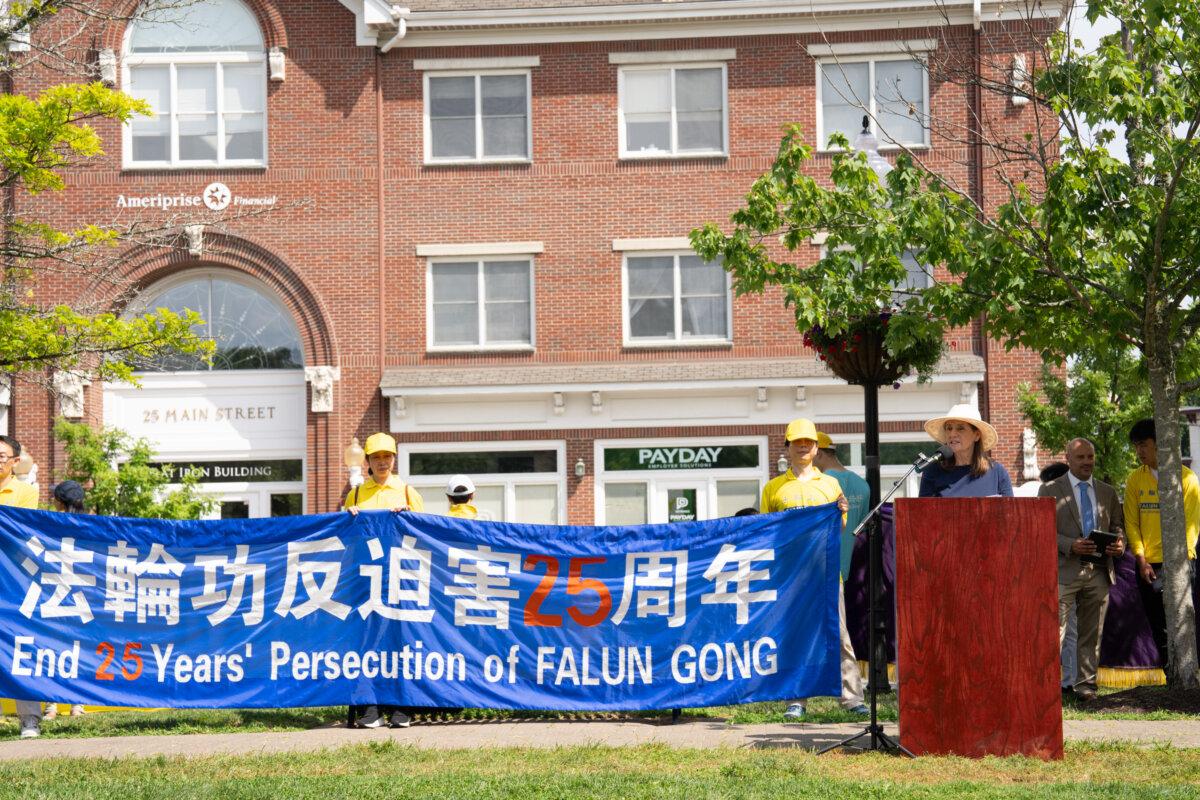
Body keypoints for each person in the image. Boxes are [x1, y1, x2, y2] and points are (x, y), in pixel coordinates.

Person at [762, 418, 866, 720]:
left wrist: (841, 513)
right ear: (788, 447)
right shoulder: (773, 488)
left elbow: (839, 528)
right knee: (796, 635)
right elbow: (766, 532)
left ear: (817, 448)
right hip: (791, 576)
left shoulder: (831, 485)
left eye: (808, 442)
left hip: (826, 573)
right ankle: (797, 699)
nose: (803, 446)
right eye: (797, 442)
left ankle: (851, 698)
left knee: (840, 635)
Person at [343, 432, 424, 730]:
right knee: (367, 643)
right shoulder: (355, 495)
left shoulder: (407, 492)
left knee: (401, 642)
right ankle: (371, 707)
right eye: (376, 457)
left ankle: (403, 707)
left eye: (386, 457)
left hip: (401, 579)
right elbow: (345, 539)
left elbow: (426, 536)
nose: (382, 462)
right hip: (365, 581)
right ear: (367, 461)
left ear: (394, 459)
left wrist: (410, 518)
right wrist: (348, 517)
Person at [1039, 439, 1125, 701]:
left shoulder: (1108, 492)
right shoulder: (1049, 489)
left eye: (1090, 457)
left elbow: (1118, 527)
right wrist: (1070, 545)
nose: (1087, 462)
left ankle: (1085, 686)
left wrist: (1119, 544)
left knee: (1091, 633)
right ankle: (1044, 688)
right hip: (1063, 571)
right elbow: (1042, 530)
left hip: (1098, 571)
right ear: (1068, 458)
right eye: (1081, 457)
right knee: (1054, 631)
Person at [1123, 418, 1200, 667]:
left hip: (1180, 564)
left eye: (1144, 444)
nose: (1139, 451)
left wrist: (1178, 564)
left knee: (1185, 623)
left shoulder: (1187, 478)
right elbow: (1131, 523)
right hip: (1148, 566)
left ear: (1159, 443)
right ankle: (1170, 675)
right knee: (1158, 625)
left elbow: (1192, 527)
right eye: (1136, 446)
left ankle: (1190, 674)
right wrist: (1141, 559)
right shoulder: (1135, 480)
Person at [0, 435, 43, 738]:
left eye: (1, 456)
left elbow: (22, 534)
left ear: (15, 461)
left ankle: (29, 718)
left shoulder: (26, 492)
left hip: (13, 582)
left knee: (20, 648)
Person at [39, 481, 89, 721]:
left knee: (52, 649)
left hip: (56, 593)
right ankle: (77, 704)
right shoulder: (92, 526)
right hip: (83, 595)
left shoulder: (50, 524)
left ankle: (52, 705)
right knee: (78, 649)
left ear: (59, 501)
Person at [918, 404, 1013, 498]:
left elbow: (1010, 508)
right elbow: (922, 508)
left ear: (977, 435)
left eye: (960, 428)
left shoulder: (997, 472)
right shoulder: (932, 472)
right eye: (949, 428)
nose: (952, 434)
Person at [813, 431, 868, 581]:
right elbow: (862, 528)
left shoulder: (820, 483)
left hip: (821, 567)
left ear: (818, 453)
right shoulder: (862, 484)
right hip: (848, 569)